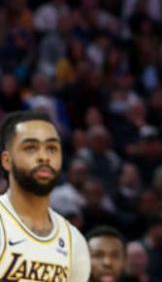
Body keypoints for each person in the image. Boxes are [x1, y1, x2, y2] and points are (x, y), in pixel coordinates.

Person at [0, 111, 90, 282]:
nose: (44, 157)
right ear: (7, 160)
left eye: (52, 148)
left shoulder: (74, 241)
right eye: (31, 148)